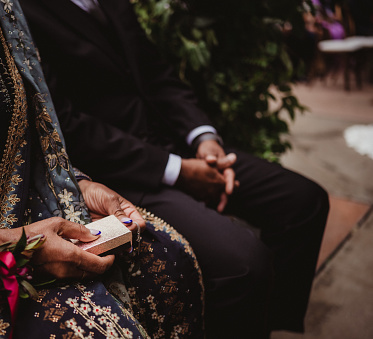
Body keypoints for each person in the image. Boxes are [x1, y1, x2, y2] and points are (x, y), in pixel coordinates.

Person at [0, 1, 204, 338]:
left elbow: (20, 132)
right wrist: (1, 246)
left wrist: (77, 185)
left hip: (27, 211)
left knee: (168, 260)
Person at [18, 0, 331, 337]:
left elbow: (157, 73)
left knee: (304, 201)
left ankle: (271, 324)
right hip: (120, 173)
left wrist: (205, 139)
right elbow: (65, 124)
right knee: (244, 265)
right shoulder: (21, 12)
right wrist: (178, 170)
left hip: (178, 143)